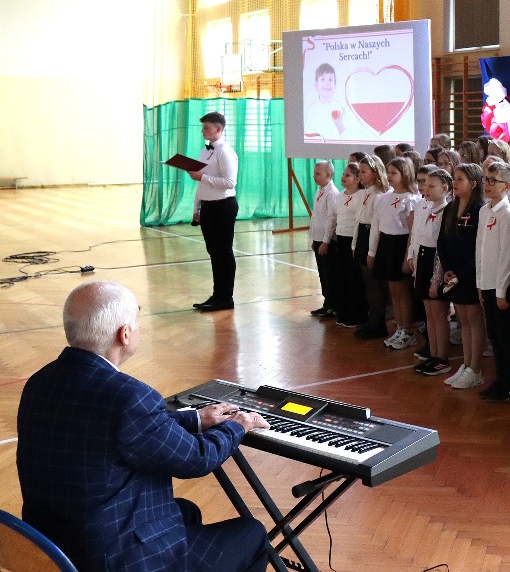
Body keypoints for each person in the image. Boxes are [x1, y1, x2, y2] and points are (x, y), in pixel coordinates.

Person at [17, 281, 269, 572]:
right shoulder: (128, 396)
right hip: (113, 561)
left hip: (51, 548)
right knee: (252, 534)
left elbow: (121, 429)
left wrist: (197, 419)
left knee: (186, 511)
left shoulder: (40, 382)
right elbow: (197, 458)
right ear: (124, 334)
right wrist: (238, 425)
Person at [475, 161, 510, 402]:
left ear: (507, 186)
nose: (487, 184)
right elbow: (480, 249)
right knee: (494, 335)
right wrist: (479, 282)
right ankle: (499, 380)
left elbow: (508, 257)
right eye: (486, 179)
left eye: (493, 181)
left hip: (502, 287)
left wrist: (501, 291)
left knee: (505, 336)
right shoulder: (484, 211)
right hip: (487, 283)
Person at [436, 163, 487, 390]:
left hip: (470, 274)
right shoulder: (451, 207)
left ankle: (476, 369)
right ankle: (466, 365)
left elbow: (478, 248)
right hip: (453, 275)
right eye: (454, 178)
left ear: (473, 184)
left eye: (459, 179)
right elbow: (442, 240)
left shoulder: (479, 210)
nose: (454, 183)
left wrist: (462, 273)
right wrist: (448, 269)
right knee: (463, 321)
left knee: (474, 320)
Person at [368, 157, 420, 350]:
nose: (389, 176)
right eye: (388, 172)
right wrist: (373, 251)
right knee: (393, 291)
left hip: (400, 245)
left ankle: (407, 331)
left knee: (402, 291)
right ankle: (399, 327)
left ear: (405, 175)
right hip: (387, 244)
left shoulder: (411, 199)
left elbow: (412, 231)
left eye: (394, 173)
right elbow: (378, 224)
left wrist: (408, 256)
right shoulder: (384, 197)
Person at [191, 112, 239, 312]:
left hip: (223, 206)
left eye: (207, 127)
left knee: (223, 252)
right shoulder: (205, 151)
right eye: (202, 127)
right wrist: (197, 207)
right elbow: (200, 182)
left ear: (218, 129)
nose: (203, 131)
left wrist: (202, 177)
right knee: (213, 252)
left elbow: (229, 182)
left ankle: (226, 297)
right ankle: (217, 294)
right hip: (208, 206)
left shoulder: (225, 152)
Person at [410, 167, 453, 376]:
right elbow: (419, 236)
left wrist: (436, 278)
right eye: (425, 185)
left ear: (445, 188)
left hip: (437, 262)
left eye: (431, 185)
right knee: (429, 313)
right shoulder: (427, 207)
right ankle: (433, 355)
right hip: (424, 259)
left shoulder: (447, 211)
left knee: (439, 313)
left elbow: (442, 247)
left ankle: (442, 358)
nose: (425, 189)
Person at [353, 155, 390, 339]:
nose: (359, 175)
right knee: (367, 283)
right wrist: (354, 243)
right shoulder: (364, 192)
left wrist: (371, 251)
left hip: (371, 238)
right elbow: (358, 220)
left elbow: (375, 225)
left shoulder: (379, 195)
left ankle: (378, 323)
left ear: (375, 173)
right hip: (362, 236)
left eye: (363, 171)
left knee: (374, 283)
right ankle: (372, 319)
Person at [334, 162, 368, 328]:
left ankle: (357, 314)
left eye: (348, 175)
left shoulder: (361, 196)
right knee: (342, 276)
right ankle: (344, 312)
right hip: (341, 239)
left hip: (353, 240)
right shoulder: (341, 195)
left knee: (354, 278)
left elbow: (358, 221)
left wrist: (355, 243)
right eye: (343, 174)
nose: (343, 177)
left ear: (357, 179)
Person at [309, 161, 340, 318]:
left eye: (318, 174)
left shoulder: (332, 193)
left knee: (330, 273)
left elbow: (331, 219)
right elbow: (316, 217)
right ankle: (327, 303)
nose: (314, 176)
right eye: (314, 173)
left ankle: (333, 305)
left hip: (326, 241)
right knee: (322, 273)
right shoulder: (320, 191)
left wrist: (326, 241)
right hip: (318, 238)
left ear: (328, 175)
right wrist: (313, 238)